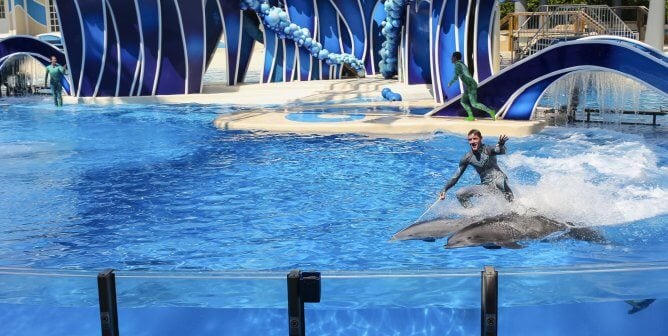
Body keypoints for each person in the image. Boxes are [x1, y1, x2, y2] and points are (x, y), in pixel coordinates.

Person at [439, 129, 514, 208]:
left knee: (499, 182)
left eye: (475, 139)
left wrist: (501, 145)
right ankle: (472, 212)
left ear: (481, 139)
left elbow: (500, 151)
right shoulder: (467, 158)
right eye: (470, 140)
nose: (472, 141)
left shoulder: (488, 149)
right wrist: (444, 189)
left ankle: (513, 205)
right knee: (460, 194)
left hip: (500, 180)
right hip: (487, 186)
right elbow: (456, 176)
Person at [448, 51, 496, 121]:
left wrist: (450, 83)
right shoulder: (461, 64)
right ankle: (471, 116)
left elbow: (456, 76)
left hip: (471, 85)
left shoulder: (458, 65)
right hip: (470, 86)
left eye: (452, 57)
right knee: (463, 101)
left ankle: (490, 111)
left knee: (474, 104)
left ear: (455, 58)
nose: (451, 58)